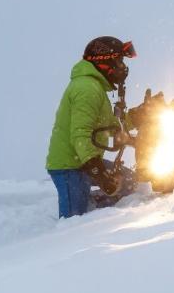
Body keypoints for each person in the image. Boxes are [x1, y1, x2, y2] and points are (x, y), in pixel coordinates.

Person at [45, 36, 137, 218]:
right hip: (70, 166)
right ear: (105, 61)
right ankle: (85, 220)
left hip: (85, 160)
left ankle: (93, 205)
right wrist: (99, 173)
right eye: (119, 61)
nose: (122, 68)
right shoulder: (87, 89)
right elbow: (80, 134)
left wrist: (138, 116)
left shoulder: (95, 88)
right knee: (74, 222)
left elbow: (111, 124)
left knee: (128, 182)